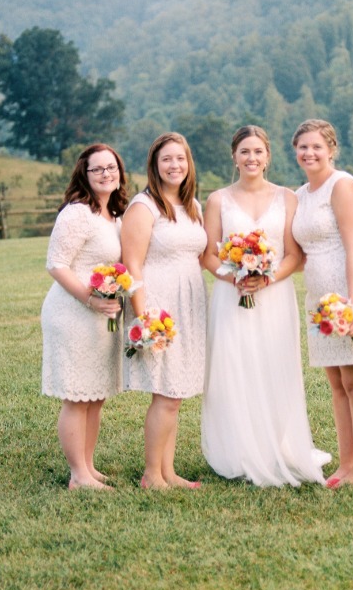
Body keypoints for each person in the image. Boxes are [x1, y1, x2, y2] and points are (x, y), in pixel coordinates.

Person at [201, 125, 329, 487]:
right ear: (234, 157)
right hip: (231, 296)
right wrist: (234, 276)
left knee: (274, 367)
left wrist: (267, 277)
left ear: (268, 156)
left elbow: (294, 254)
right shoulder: (218, 200)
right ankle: (239, 450)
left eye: (258, 151)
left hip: (274, 298)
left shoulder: (288, 198)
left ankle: (278, 446)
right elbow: (208, 254)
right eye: (244, 152)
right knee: (234, 369)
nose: (251, 158)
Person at [291, 119, 353, 489]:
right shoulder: (300, 194)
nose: (309, 153)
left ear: (331, 149)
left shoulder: (341, 186)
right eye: (303, 147)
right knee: (337, 384)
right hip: (318, 299)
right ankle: (345, 463)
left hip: (348, 292)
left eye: (316, 147)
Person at [121, 132, 207, 490]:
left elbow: (200, 259)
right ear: (155, 166)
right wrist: (144, 319)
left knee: (177, 392)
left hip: (190, 303)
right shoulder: (144, 207)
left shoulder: (193, 207)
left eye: (181, 159)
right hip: (158, 306)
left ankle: (168, 471)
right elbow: (132, 265)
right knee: (166, 393)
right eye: (167, 159)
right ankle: (151, 474)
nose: (175, 166)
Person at [41, 143, 129, 490]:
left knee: (95, 395)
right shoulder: (77, 213)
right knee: (77, 397)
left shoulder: (114, 215)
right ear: (85, 174)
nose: (106, 174)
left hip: (101, 317)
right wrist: (90, 300)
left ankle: (89, 467)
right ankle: (78, 474)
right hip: (72, 314)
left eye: (112, 167)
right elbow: (56, 264)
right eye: (98, 169)